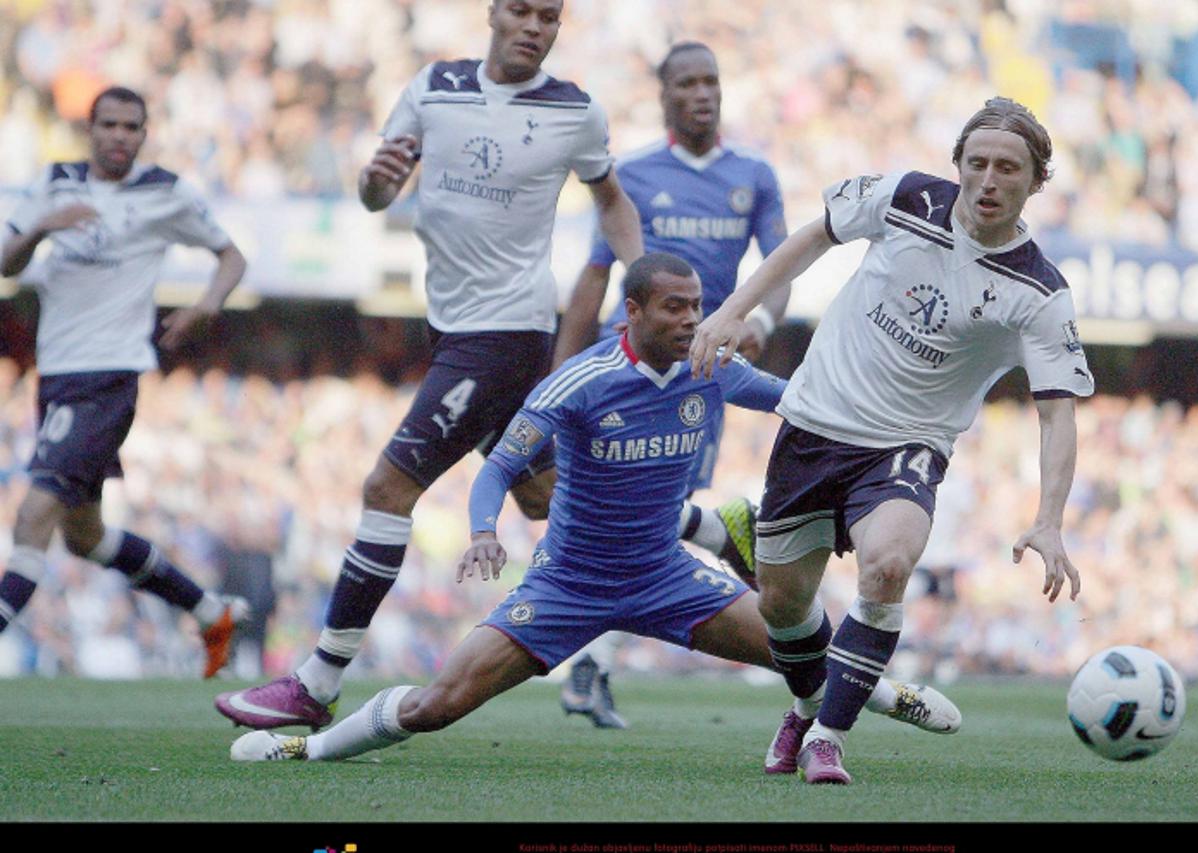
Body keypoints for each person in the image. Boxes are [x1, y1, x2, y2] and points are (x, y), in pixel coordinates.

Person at [228, 253, 959, 765]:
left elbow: (803, 404)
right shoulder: (579, 382)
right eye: (676, 307)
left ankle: (893, 694)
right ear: (633, 310)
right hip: (566, 584)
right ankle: (309, 745)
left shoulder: (711, 368)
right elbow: (502, 470)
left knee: (798, 652)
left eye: (699, 306)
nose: (692, 319)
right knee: (437, 705)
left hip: (665, 574)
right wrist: (484, 530)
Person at [215, 0, 644, 730]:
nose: (535, 26)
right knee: (547, 501)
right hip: (452, 331)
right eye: (522, 10)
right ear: (493, 13)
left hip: (503, 338)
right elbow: (377, 192)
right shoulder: (432, 87)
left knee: (388, 487)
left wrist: (640, 283)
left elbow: (612, 201)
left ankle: (317, 681)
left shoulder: (575, 111)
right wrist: (376, 183)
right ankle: (685, 541)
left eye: (550, 16)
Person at [690, 97, 1094, 784]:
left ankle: (827, 735)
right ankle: (805, 702)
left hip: (907, 444)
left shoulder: (1040, 292)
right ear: (958, 166)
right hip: (815, 422)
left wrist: (1049, 521)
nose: (989, 179)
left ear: (1036, 182)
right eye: (978, 163)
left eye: (1008, 168)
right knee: (782, 603)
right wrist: (734, 309)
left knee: (887, 565)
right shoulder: (905, 196)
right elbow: (811, 237)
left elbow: (1057, 414)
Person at [553, 41, 792, 728]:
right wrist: (560, 372)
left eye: (711, 80)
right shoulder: (633, 174)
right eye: (686, 82)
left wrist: (761, 319)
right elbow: (596, 275)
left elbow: (780, 263)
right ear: (663, 96)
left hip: (702, 373)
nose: (702, 93)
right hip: (623, 370)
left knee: (653, 509)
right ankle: (715, 540)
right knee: (616, 507)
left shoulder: (754, 175)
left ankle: (590, 663)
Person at [0, 86, 250, 677]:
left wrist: (206, 305)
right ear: (91, 130)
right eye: (109, 124)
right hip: (57, 377)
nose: (119, 135)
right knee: (84, 537)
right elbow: (6, 262)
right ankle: (212, 611)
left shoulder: (164, 192)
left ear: (143, 134)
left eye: (131, 127)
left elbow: (232, 256)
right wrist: (42, 229)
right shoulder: (54, 182)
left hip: (108, 378)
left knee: (33, 515)